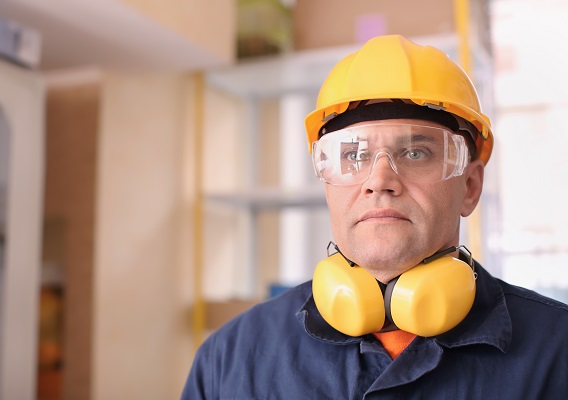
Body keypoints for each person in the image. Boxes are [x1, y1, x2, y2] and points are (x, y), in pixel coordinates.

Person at [181, 35, 568, 399]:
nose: (379, 181)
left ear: (469, 186)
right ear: (326, 179)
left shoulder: (557, 352)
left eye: (416, 153)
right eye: (354, 155)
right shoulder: (229, 360)